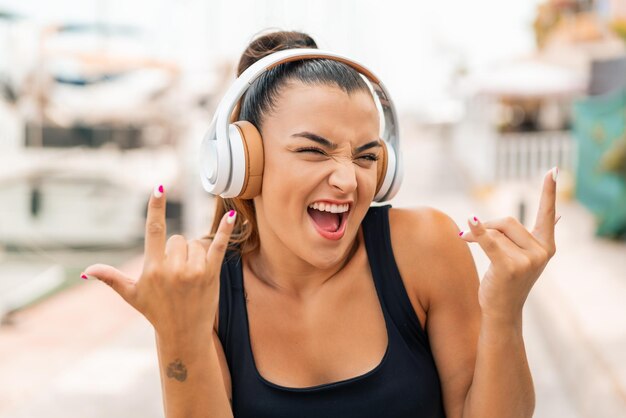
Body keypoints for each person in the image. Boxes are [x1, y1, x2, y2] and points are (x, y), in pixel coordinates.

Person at [83, 30, 560, 418]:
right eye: (314, 150)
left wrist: (505, 312)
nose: (348, 179)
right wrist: (179, 335)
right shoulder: (203, 288)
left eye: (367, 156)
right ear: (243, 163)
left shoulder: (426, 248)